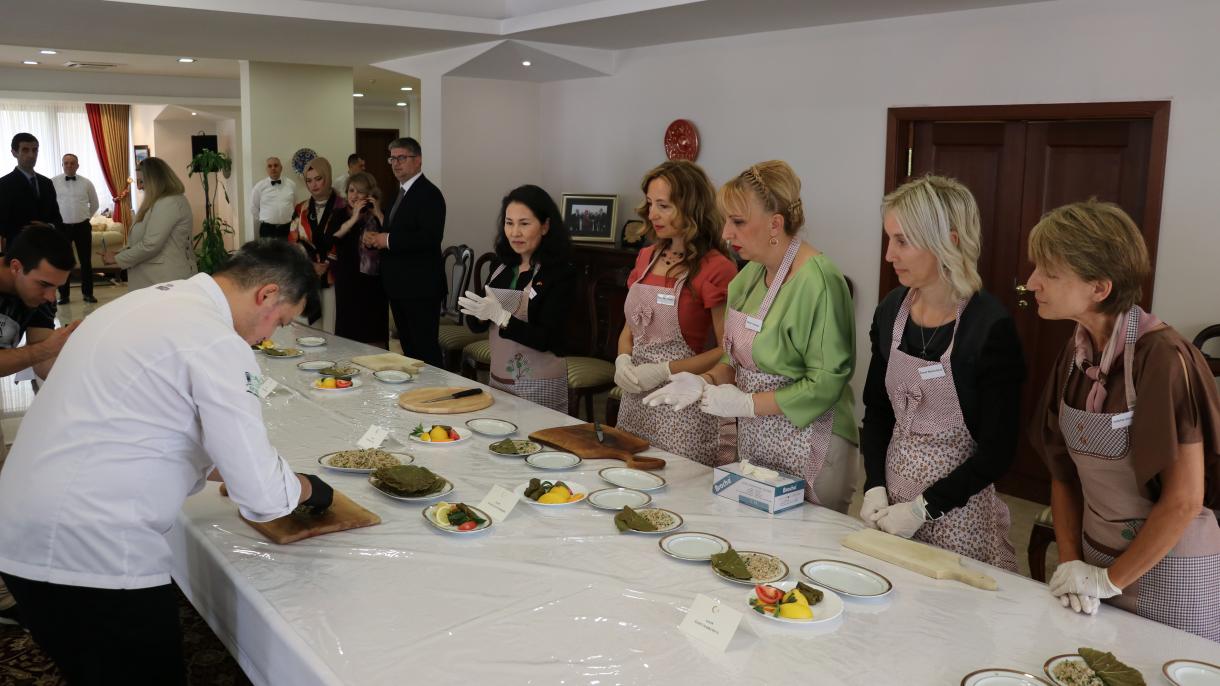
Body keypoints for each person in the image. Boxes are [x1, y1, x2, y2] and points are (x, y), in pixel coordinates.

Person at [0, 239, 335, 682]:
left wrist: (251, 470)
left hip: (22, 529)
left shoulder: (144, 302)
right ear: (267, 294)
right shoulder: (214, 339)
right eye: (281, 320)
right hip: (93, 552)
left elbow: (159, 427)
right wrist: (308, 486)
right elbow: (262, 495)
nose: (269, 336)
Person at [1028, 200, 1220, 640]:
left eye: (1050, 273)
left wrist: (1110, 580)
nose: (1033, 282)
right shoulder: (1075, 355)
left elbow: (1186, 499)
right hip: (1096, 559)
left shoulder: (1164, 359)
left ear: (1099, 287)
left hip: (1171, 573)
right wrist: (1074, 560)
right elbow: (1063, 472)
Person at [644, 161, 858, 511]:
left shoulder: (819, 281)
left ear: (776, 223)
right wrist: (705, 381)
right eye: (726, 219)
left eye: (738, 222)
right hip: (759, 441)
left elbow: (825, 383)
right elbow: (733, 356)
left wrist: (747, 404)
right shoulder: (749, 276)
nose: (726, 233)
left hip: (812, 445)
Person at [858, 176, 1023, 570]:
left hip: (958, 518)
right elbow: (877, 409)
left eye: (902, 241)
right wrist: (874, 485)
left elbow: (998, 452)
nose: (888, 255)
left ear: (947, 241)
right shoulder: (891, 311)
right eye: (889, 239)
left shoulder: (988, 328)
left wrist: (923, 509)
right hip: (891, 510)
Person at [614, 160, 737, 466]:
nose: (652, 214)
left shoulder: (716, 268)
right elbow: (630, 328)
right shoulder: (645, 257)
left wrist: (663, 371)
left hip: (682, 406)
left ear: (691, 208)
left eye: (664, 206)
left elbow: (726, 351)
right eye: (651, 204)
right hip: (636, 398)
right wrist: (623, 359)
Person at [0, 226, 81, 626]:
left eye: (58, 288)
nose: (51, 296)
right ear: (15, 266)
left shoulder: (41, 294)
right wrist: (44, 349)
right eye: (45, 285)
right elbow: (39, 351)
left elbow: (46, 362)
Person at [459, 185, 576, 412]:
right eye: (509, 223)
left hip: (540, 385)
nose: (514, 233)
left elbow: (548, 338)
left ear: (545, 226)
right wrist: (478, 314)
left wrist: (501, 316)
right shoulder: (502, 266)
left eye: (524, 224)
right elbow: (476, 325)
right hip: (499, 378)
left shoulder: (561, 273)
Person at [363, 137, 445, 366]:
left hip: (420, 286)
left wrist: (386, 239)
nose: (395, 164)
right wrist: (376, 237)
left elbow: (429, 238)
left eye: (401, 158)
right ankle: (417, 395)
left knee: (425, 349)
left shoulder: (429, 194)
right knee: (409, 350)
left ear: (417, 160)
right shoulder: (399, 192)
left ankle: (435, 395)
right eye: (392, 159)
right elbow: (397, 230)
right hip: (399, 285)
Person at [103, 157, 196, 290]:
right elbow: (141, 240)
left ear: (156, 181)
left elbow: (151, 244)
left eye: (142, 181)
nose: (139, 187)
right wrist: (119, 253)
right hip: (155, 277)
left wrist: (117, 259)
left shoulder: (169, 202)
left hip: (165, 278)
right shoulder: (158, 201)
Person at [290, 157, 348, 333]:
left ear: (328, 177)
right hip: (308, 274)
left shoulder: (344, 205)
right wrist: (310, 265)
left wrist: (328, 263)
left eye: (318, 178)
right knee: (308, 330)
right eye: (309, 180)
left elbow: (347, 241)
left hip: (335, 276)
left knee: (333, 327)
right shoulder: (301, 209)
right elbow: (293, 240)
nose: (314, 185)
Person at [331, 171, 389, 348]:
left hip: (373, 284)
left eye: (359, 191)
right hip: (347, 281)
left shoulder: (381, 213)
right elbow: (333, 238)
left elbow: (392, 234)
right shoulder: (340, 214)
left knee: (373, 334)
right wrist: (354, 218)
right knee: (347, 336)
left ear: (369, 194)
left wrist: (378, 213)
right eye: (351, 191)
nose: (354, 196)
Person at [51, 153, 100, 304]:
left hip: (82, 227)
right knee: (63, 261)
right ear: (62, 165)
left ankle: (88, 294)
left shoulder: (87, 183)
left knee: (86, 261)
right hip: (62, 228)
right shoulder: (53, 182)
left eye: (72, 163)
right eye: (66, 163)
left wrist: (84, 218)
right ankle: (64, 295)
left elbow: (95, 204)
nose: (69, 165)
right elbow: (50, 205)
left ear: (77, 165)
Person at [0, 133, 62, 244]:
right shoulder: (4, 184)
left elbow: (57, 217)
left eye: (35, 150)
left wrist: (48, 226)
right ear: (14, 153)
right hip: (18, 248)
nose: (31, 155)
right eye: (25, 150)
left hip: (47, 246)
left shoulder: (47, 183)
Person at [250, 157, 296, 239]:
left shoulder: (291, 184)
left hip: (287, 228)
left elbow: (294, 203)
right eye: (270, 166)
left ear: (281, 168)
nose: (273, 168)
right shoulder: (259, 186)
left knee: (287, 252)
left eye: (276, 165)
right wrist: (265, 220)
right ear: (266, 169)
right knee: (268, 252)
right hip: (267, 230)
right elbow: (254, 207)